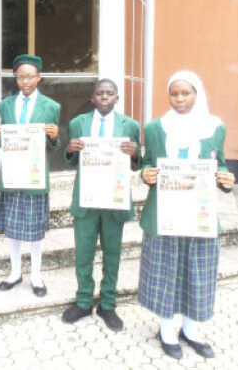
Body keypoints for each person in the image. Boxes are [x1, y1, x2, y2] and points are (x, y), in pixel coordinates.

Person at [138, 70, 235, 360]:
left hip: (199, 214)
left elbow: (222, 164)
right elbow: (145, 164)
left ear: (197, 93)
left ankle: (190, 331)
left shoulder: (215, 127)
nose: (179, 99)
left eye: (186, 93)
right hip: (164, 213)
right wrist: (146, 174)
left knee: (198, 272)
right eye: (174, 94)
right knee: (166, 271)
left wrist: (226, 178)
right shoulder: (155, 128)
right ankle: (167, 331)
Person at [61, 79, 140, 331]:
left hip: (114, 199)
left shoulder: (131, 125)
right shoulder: (78, 123)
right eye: (100, 93)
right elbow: (70, 160)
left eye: (110, 93)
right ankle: (83, 301)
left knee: (112, 253)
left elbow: (138, 162)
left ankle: (108, 304)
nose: (105, 97)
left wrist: (136, 152)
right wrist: (70, 149)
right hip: (87, 198)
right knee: (83, 252)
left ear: (117, 98)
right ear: (92, 98)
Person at [0, 54, 60, 297]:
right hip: (11, 173)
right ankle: (15, 272)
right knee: (13, 227)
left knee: (35, 230)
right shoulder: (5, 105)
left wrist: (53, 136)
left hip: (35, 176)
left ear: (38, 78)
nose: (25, 81)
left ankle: (36, 276)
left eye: (30, 76)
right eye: (20, 77)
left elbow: (53, 147)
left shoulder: (51, 107)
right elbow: (2, 143)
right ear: (15, 78)